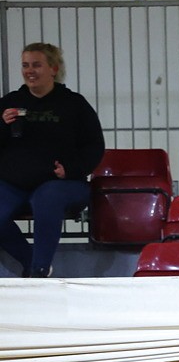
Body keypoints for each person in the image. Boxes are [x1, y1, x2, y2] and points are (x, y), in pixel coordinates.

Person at [0, 43, 105, 278]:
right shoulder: (10, 102)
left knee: (48, 198)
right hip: (13, 184)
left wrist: (72, 169)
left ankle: (38, 270)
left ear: (53, 69)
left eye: (37, 65)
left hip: (63, 183)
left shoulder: (75, 104)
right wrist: (2, 126)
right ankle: (33, 264)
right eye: (25, 65)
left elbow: (95, 146)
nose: (30, 71)